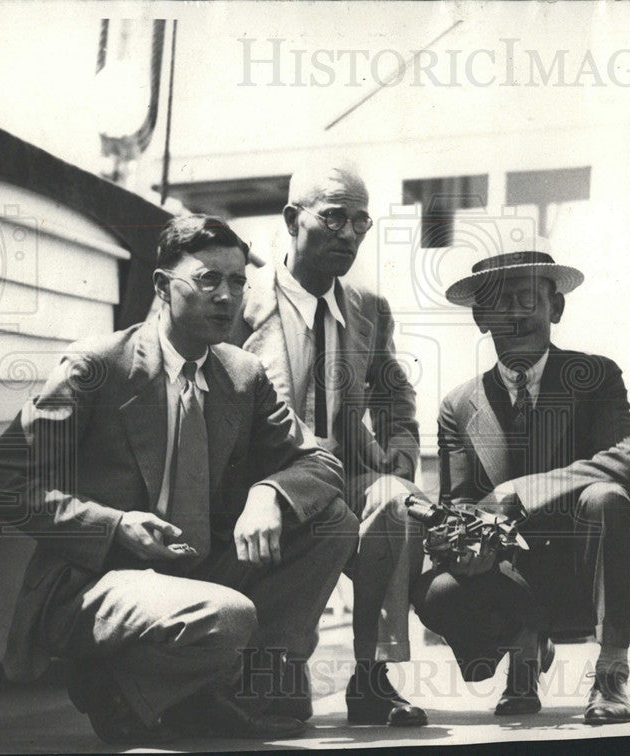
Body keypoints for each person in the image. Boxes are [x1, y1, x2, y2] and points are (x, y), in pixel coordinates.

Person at [0, 215, 359, 744]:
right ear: (162, 286)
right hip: (99, 579)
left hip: (194, 569)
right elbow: (0, 479)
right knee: (228, 616)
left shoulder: (240, 374)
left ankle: (222, 694)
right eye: (208, 280)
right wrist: (111, 526)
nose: (227, 297)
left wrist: (269, 495)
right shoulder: (98, 367)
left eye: (237, 282)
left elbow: (320, 464)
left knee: (332, 524)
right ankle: (119, 691)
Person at [411, 245, 630, 724]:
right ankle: (522, 656)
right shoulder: (459, 404)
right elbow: (457, 502)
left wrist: (523, 492)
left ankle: (610, 674)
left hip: (586, 570)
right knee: (437, 591)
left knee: (607, 497)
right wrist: (462, 544)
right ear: (480, 317)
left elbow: (622, 460)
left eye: (527, 299)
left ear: (555, 307)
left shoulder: (595, 375)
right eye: (499, 302)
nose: (514, 315)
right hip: (509, 577)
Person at [232, 159, 426, 727]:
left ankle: (372, 677)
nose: (349, 234)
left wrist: (401, 452)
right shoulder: (238, 301)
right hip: (261, 486)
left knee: (394, 500)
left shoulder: (367, 308)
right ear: (293, 219)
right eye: (335, 217)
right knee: (284, 707)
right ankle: (268, 662)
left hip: (342, 475)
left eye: (361, 222)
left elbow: (394, 395)